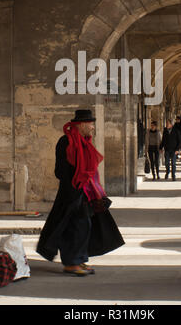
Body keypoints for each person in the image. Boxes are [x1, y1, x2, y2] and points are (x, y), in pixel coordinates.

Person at [36, 109, 125, 276]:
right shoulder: (65, 142)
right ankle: (71, 263)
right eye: (91, 124)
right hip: (71, 193)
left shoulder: (85, 142)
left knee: (86, 225)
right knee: (75, 226)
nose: (92, 127)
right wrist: (74, 184)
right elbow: (60, 171)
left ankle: (80, 259)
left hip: (85, 192)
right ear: (82, 124)